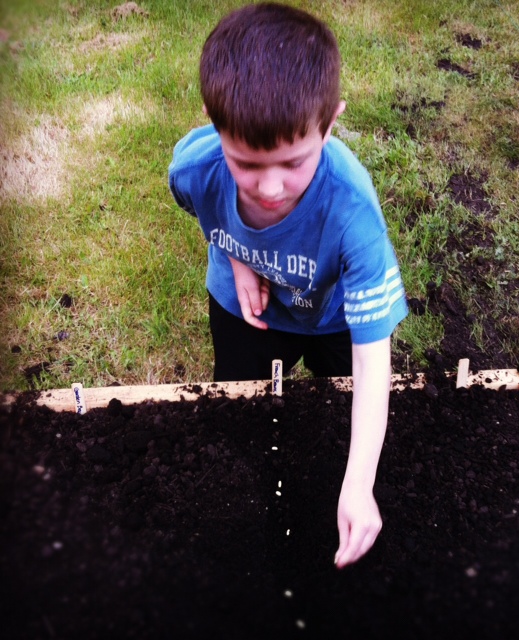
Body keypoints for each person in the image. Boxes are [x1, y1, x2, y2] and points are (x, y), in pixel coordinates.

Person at [168, 2, 408, 568]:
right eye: (246, 165)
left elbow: (373, 359)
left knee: (340, 414)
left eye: (294, 163)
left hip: (332, 317)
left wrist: (359, 484)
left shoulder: (353, 211)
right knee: (239, 411)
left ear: (330, 123)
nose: (270, 188)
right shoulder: (193, 170)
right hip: (246, 310)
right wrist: (236, 257)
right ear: (214, 124)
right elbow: (205, 207)